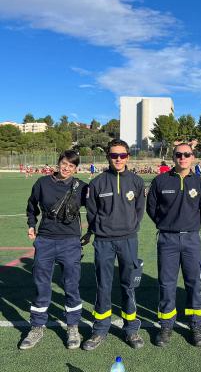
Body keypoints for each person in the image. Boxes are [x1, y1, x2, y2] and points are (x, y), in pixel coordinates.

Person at [21, 150, 87, 350]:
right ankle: (37, 327)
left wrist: (91, 231)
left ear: (76, 169)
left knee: (71, 285)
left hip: (71, 242)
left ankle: (73, 326)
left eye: (71, 166)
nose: (66, 168)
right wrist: (31, 224)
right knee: (41, 284)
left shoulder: (81, 187)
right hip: (46, 240)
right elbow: (32, 206)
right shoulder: (42, 183)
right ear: (58, 163)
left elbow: (96, 207)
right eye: (64, 163)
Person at [83, 139, 146, 351]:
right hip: (103, 241)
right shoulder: (97, 183)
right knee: (104, 285)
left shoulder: (137, 181)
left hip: (128, 240)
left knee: (129, 285)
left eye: (122, 155)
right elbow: (92, 212)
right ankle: (100, 330)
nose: (118, 159)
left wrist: (130, 226)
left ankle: (131, 329)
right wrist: (99, 229)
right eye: (113, 155)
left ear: (128, 157)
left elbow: (139, 209)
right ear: (108, 157)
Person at [146, 143, 201, 347]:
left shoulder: (200, 183)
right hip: (167, 239)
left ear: (193, 157)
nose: (183, 157)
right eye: (179, 154)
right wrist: (166, 224)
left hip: (191, 239)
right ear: (173, 157)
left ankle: (196, 325)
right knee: (167, 283)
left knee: (194, 283)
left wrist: (190, 225)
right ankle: (166, 326)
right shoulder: (160, 181)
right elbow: (152, 208)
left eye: (187, 154)